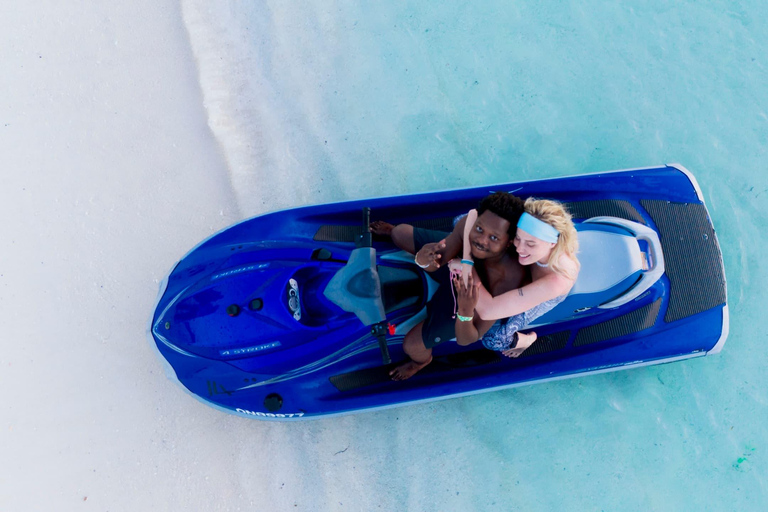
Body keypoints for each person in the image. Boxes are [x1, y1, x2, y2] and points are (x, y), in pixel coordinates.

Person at [371, 192, 529, 380]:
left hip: (468, 303)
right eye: (479, 229)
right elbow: (438, 262)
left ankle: (421, 362)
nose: (481, 240)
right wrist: (423, 259)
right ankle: (392, 233)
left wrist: (466, 309)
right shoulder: (466, 225)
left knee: (412, 346)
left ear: (509, 242)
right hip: (456, 265)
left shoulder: (508, 278)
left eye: (494, 238)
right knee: (399, 233)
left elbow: (469, 338)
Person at [456, 198, 580, 357]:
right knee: (459, 220)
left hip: (541, 293)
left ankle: (527, 341)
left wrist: (466, 267)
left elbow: (488, 310)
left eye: (530, 244)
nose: (520, 248)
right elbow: (467, 219)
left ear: (552, 243)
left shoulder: (556, 281)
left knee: (494, 340)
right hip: (526, 268)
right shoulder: (527, 238)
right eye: (518, 238)